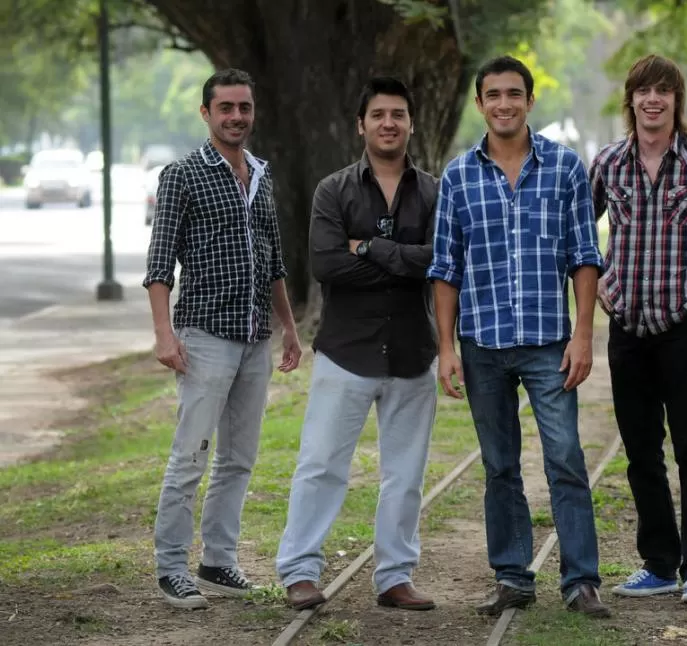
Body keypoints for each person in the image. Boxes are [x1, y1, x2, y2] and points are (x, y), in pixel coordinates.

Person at [428, 55, 610, 619]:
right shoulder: (458, 176)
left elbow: (584, 258)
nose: (503, 103)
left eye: (514, 93)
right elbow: (445, 268)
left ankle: (580, 581)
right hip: (482, 344)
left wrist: (583, 336)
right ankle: (512, 576)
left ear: (530, 101)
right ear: (479, 104)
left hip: (548, 343)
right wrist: (446, 347)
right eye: (493, 95)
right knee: (500, 464)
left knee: (565, 458)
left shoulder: (565, 168)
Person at [275, 77, 440, 612]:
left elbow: (441, 262)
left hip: (414, 352)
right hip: (345, 352)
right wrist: (405, 261)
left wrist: (368, 248)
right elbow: (326, 266)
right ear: (361, 124)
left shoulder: (438, 191)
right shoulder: (333, 190)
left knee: (406, 474)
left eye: (398, 114)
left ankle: (394, 576)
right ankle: (300, 571)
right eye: (378, 115)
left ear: (411, 123)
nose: (388, 123)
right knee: (320, 463)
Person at [144, 68, 302, 610]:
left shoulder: (261, 173)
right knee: (191, 456)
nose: (237, 117)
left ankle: (217, 561)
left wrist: (290, 330)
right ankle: (171, 568)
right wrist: (165, 334)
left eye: (244, 107)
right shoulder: (182, 175)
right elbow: (159, 262)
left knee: (239, 459)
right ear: (206, 113)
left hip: (256, 337)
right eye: (226, 107)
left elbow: (273, 258)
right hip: (205, 336)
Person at [589, 53, 687, 605]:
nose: (653, 99)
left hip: (680, 329)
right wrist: (601, 282)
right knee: (641, 451)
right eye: (643, 91)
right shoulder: (608, 164)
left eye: (664, 91)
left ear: (677, 100)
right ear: (631, 100)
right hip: (626, 329)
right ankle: (658, 563)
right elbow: (579, 232)